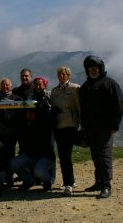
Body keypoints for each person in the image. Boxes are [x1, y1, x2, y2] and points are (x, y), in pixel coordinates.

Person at [80, 55, 123, 199]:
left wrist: (114, 126)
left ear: (100, 68)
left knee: (104, 155)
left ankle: (106, 185)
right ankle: (98, 182)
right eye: (90, 68)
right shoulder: (85, 86)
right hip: (90, 128)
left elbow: (119, 105)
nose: (93, 70)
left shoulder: (110, 83)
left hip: (105, 128)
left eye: (95, 67)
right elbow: (82, 108)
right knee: (95, 155)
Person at [0, 78, 22, 187]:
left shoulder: (18, 99)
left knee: (10, 155)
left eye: (7, 85)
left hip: (11, 134)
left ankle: (9, 177)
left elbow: (20, 117)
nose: (5, 87)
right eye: (3, 85)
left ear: (11, 86)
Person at [51, 66, 81, 196]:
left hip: (70, 124)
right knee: (62, 154)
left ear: (68, 75)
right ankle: (69, 180)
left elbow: (79, 106)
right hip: (58, 125)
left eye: (64, 74)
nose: (61, 76)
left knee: (66, 154)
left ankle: (68, 183)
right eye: (59, 74)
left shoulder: (75, 88)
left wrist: (81, 123)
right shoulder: (54, 90)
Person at [10, 107, 56, 192]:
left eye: (32, 113)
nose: (30, 115)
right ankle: (28, 181)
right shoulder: (23, 125)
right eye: (27, 113)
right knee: (13, 162)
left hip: (45, 156)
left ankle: (48, 182)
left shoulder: (44, 124)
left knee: (39, 170)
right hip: (31, 156)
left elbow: (50, 119)